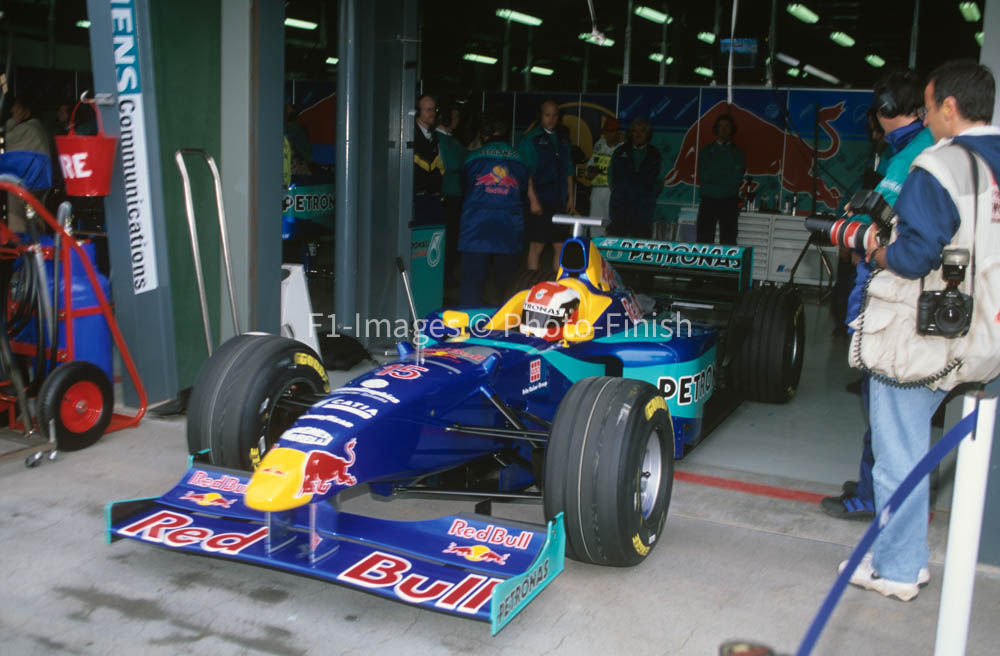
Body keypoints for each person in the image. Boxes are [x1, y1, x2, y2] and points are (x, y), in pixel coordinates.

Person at [841, 59, 1000, 601]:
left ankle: (899, 569)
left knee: (898, 454)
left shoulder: (941, 167)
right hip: (983, 332)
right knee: (914, 444)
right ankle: (908, 557)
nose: (926, 119)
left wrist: (870, 247)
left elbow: (912, 256)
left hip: (925, 336)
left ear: (950, 109)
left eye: (930, 108)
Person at [822, 69, 935, 522]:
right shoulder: (903, 152)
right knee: (878, 405)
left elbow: (889, 233)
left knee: (886, 411)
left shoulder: (919, 155)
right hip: (880, 294)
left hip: (895, 300)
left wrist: (853, 232)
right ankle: (871, 484)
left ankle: (875, 497)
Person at [458, 116, 529, 305]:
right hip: (508, 226)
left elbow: (464, 187)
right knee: (508, 284)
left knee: (472, 283)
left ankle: (468, 325)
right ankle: (506, 326)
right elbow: (522, 190)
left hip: (476, 227)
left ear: (486, 133)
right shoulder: (520, 159)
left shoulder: (472, 157)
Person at [518, 99, 573, 272]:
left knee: (560, 245)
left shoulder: (563, 140)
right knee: (537, 246)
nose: (551, 119)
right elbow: (525, 172)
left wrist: (571, 197)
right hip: (540, 200)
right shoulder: (531, 139)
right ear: (540, 116)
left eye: (554, 115)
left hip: (559, 200)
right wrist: (533, 200)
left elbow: (569, 171)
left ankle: (558, 289)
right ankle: (532, 286)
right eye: (547, 115)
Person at [3, 95, 51, 233]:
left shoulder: (29, 129)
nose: (13, 110)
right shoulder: (35, 128)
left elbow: (5, 142)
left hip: (24, 194)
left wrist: (12, 121)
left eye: (16, 107)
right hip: (30, 189)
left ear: (26, 110)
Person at [607, 117, 662, 238]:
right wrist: (619, 192)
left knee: (640, 246)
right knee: (616, 243)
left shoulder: (654, 154)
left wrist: (649, 194)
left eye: (642, 131)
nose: (638, 134)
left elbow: (660, 179)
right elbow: (611, 175)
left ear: (648, 134)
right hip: (620, 208)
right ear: (630, 133)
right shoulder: (620, 151)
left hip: (643, 209)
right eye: (635, 131)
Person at [696, 114, 744, 245]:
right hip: (708, 200)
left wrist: (716, 174)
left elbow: (736, 179)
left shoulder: (738, 153)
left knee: (729, 240)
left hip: (729, 201)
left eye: (727, 126)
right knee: (703, 239)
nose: (723, 130)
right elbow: (704, 176)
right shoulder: (706, 151)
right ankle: (702, 266)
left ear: (732, 130)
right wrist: (725, 173)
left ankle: (726, 265)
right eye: (720, 126)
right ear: (715, 129)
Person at [435, 101, 467, 286]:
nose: (457, 121)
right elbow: (453, 164)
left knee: (454, 239)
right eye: (454, 117)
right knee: (448, 240)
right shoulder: (440, 140)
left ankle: (447, 275)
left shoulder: (452, 139)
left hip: (455, 195)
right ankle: (444, 277)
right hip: (447, 196)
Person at [413, 93, 445, 227]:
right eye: (428, 110)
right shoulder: (410, 134)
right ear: (418, 112)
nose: (433, 113)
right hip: (416, 198)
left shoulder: (436, 136)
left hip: (434, 198)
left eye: (434, 109)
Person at [585, 117, 624, 223]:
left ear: (618, 132)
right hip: (597, 190)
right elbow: (588, 170)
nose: (608, 134)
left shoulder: (623, 148)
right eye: (606, 131)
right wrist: (591, 171)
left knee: (612, 225)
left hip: (613, 192)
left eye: (611, 131)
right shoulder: (599, 144)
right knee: (595, 224)